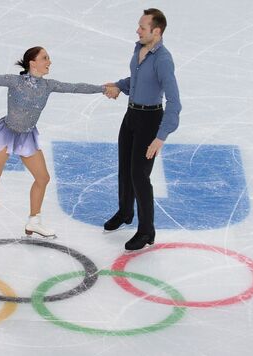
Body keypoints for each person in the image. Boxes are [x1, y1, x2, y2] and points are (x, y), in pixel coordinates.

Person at [0, 47, 109, 243]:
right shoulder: (15, 82)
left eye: (49, 58)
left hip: (27, 136)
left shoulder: (48, 85)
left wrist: (103, 89)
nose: (49, 62)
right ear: (32, 63)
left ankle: (34, 221)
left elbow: (76, 87)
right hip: (6, 134)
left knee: (42, 178)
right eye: (45, 58)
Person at [103, 8, 181, 251]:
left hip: (150, 121)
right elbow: (135, 82)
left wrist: (161, 137)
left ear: (156, 32)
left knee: (139, 175)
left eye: (142, 28)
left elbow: (175, 102)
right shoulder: (139, 49)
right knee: (125, 168)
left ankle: (147, 231)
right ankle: (126, 212)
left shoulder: (163, 60)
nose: (137, 31)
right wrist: (117, 85)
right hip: (131, 116)